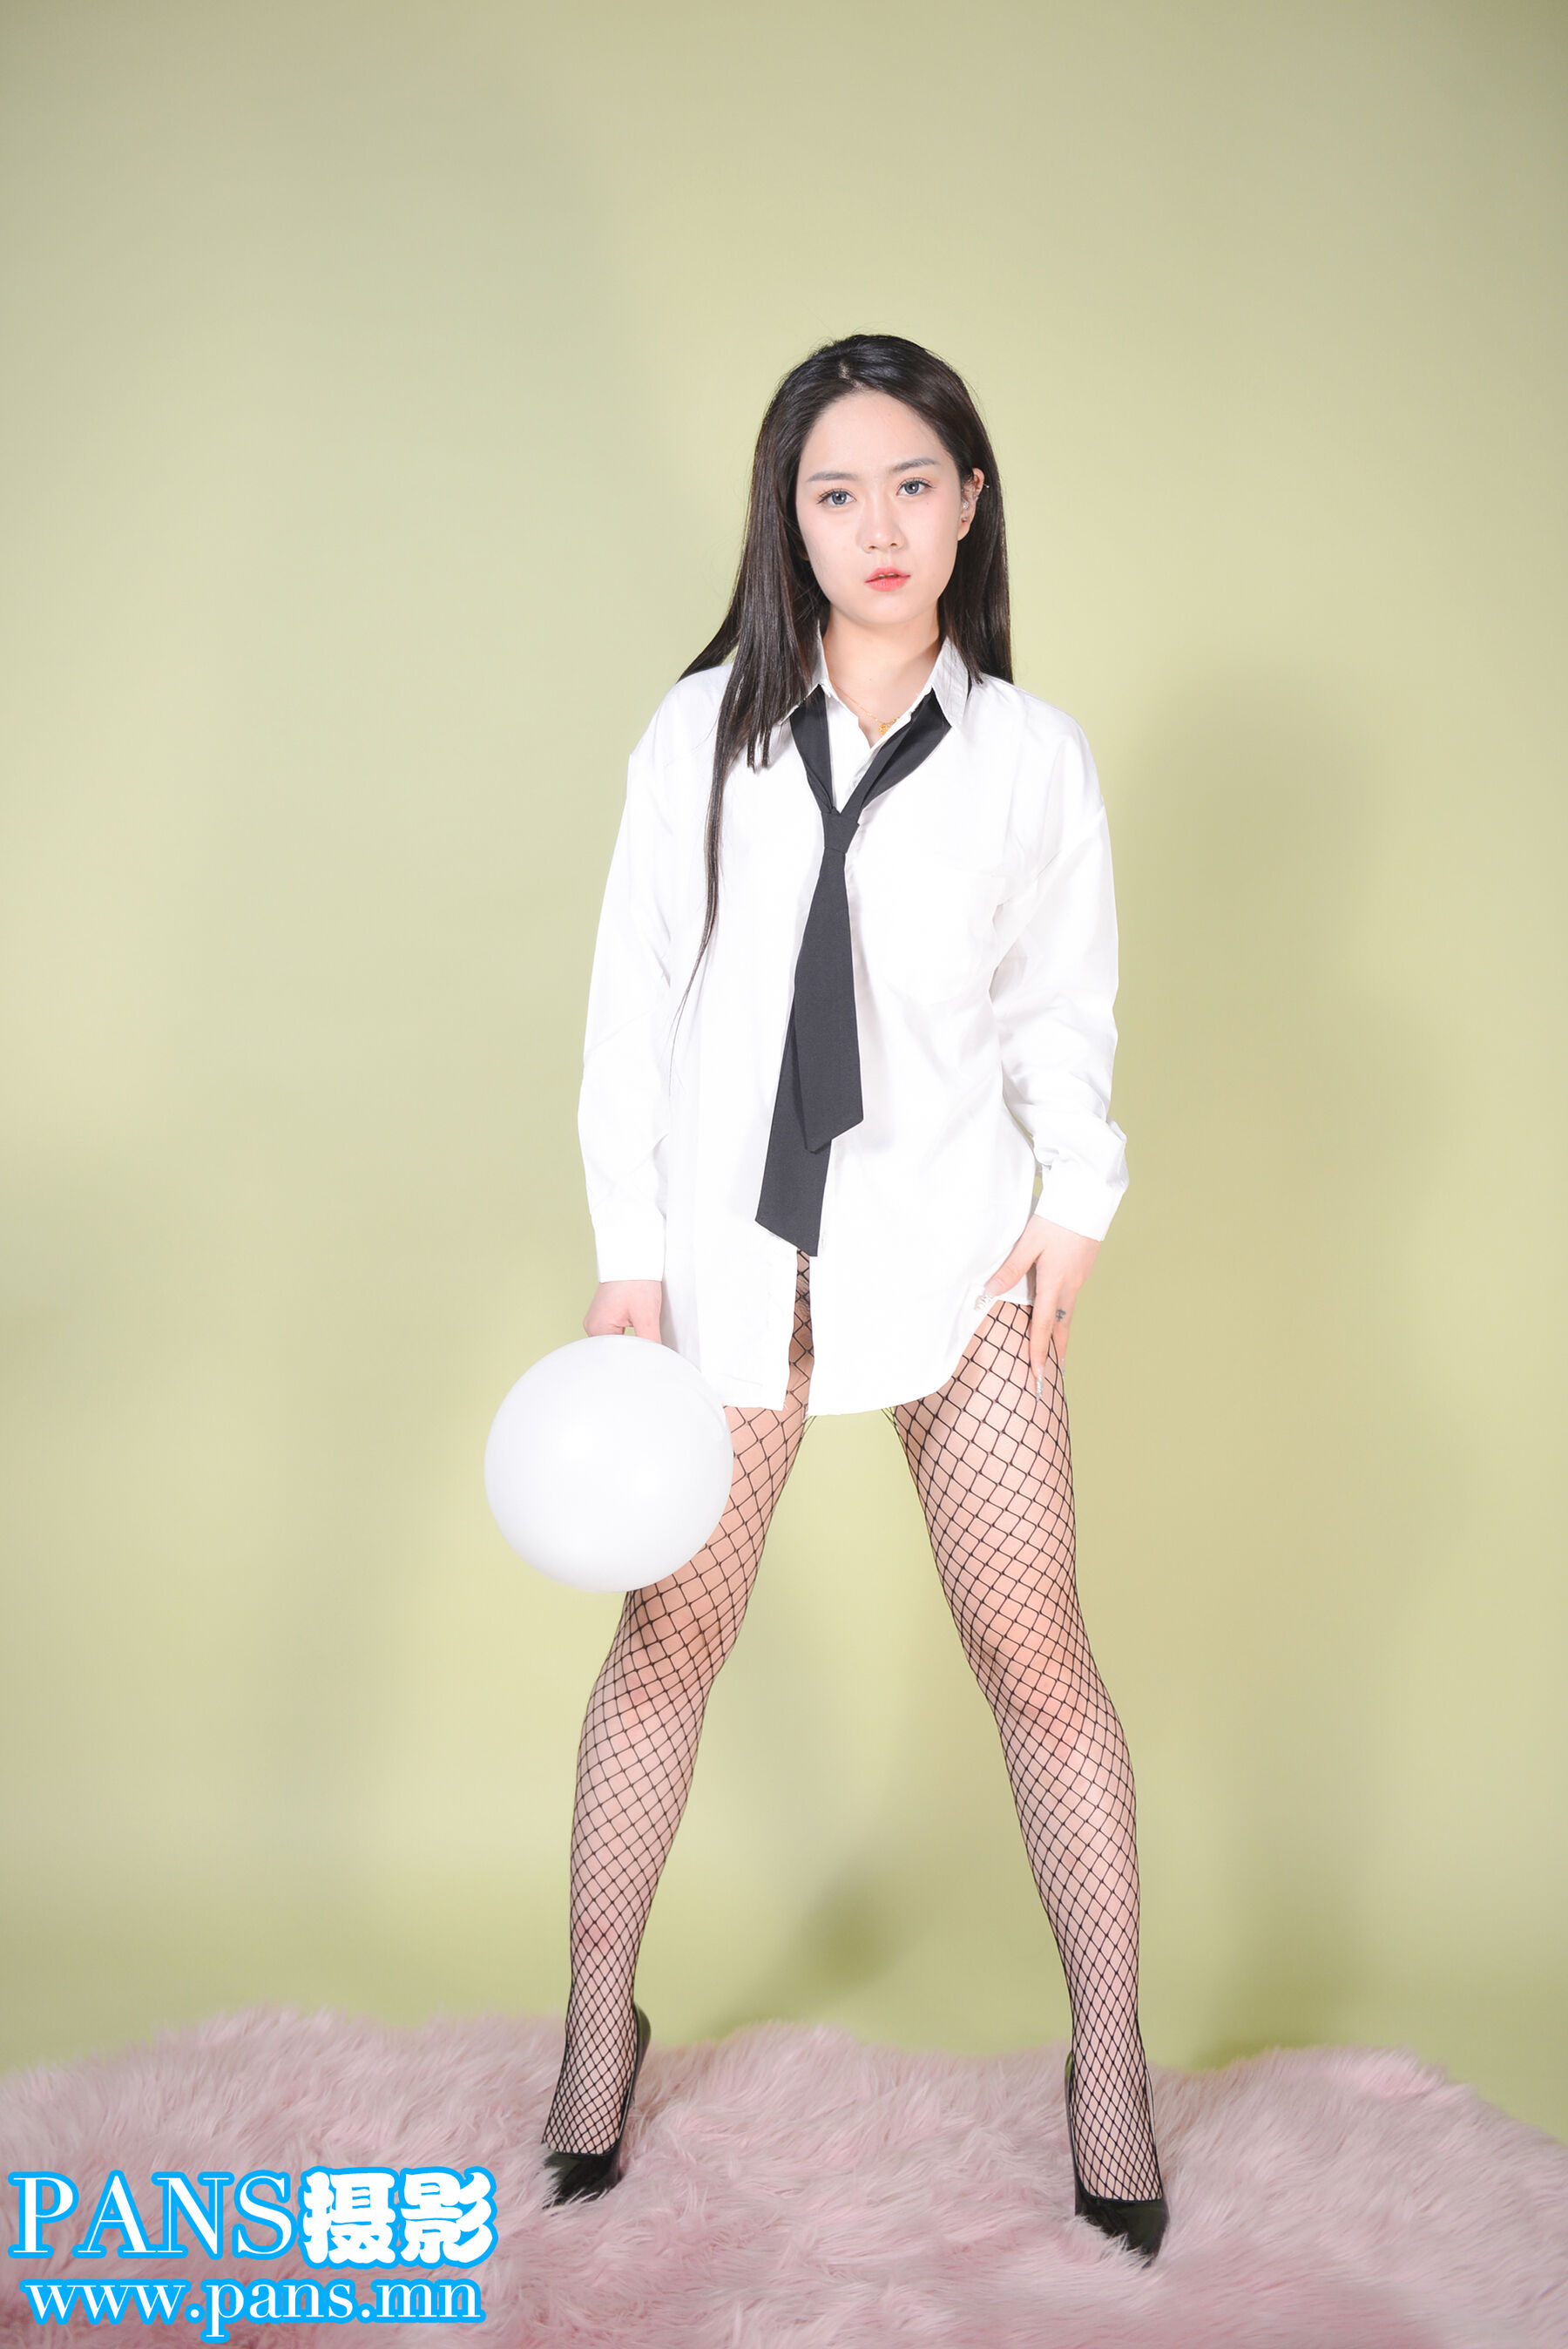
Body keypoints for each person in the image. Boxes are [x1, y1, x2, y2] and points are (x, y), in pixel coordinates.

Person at [540, 333, 1168, 2258]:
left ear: (970, 503)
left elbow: (1060, 1009)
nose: (877, 524)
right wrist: (632, 1256)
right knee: (665, 1648)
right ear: (788, 520)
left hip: (956, 1260)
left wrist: (1078, 1200)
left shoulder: (1033, 758)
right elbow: (634, 1004)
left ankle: (1112, 2067)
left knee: (1038, 1657)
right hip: (735, 1269)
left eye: (912, 483)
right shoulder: (701, 736)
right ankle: (594, 2035)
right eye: (835, 491)